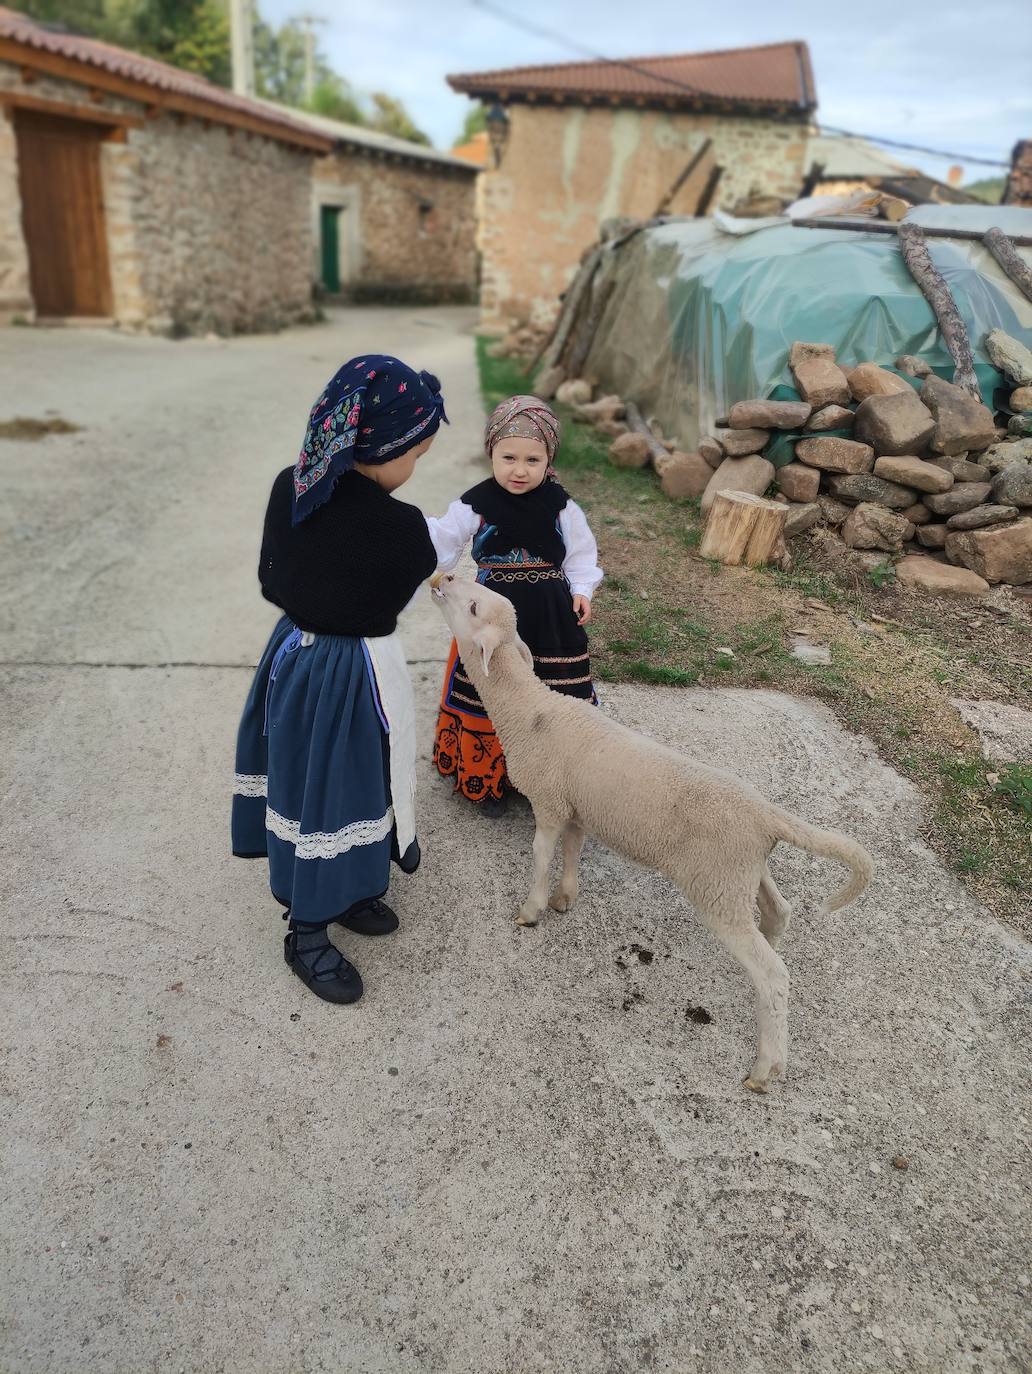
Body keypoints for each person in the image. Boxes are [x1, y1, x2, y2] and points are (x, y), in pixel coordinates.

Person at [232, 354, 446, 1004]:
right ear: (380, 450)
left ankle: (350, 886)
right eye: (416, 455)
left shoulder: (289, 487)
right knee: (332, 784)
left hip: (293, 655)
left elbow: (274, 579)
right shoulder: (401, 529)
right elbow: (391, 594)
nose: (415, 471)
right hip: (348, 674)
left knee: (340, 779)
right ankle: (307, 928)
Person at [428, 394, 602, 817]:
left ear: (548, 459)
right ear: (491, 452)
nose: (519, 470)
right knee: (490, 692)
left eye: (532, 460)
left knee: (552, 696)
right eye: (508, 457)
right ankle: (486, 778)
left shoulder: (563, 506)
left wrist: (581, 589)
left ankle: (548, 778)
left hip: (550, 618)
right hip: (493, 621)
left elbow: (582, 554)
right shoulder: (475, 504)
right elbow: (443, 541)